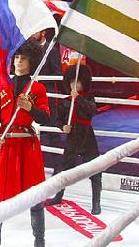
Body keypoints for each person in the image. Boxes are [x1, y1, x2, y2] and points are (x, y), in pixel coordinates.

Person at [0, 40, 50, 247]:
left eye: (23, 58)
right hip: (5, 144)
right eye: (17, 57)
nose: (18, 61)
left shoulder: (37, 89)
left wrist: (30, 109)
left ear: (31, 62)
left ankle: (39, 241)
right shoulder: (1, 85)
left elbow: (46, 118)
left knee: (35, 195)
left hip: (27, 146)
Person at [44, 64, 101, 214]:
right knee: (64, 169)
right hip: (72, 136)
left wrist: (79, 99)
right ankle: (58, 196)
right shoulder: (65, 101)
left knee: (95, 169)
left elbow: (93, 110)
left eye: (77, 82)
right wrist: (63, 127)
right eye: (71, 82)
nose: (74, 85)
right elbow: (57, 120)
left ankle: (96, 203)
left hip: (87, 136)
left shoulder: (88, 98)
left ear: (84, 82)